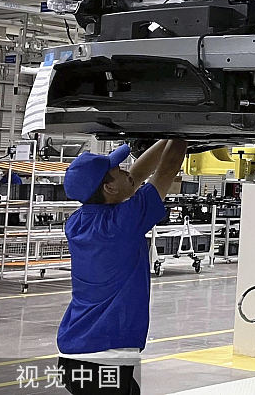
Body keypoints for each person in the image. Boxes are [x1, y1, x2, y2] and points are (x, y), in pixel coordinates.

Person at [57, 139, 187, 394]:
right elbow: (168, 168)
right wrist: (184, 132)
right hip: (106, 358)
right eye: (119, 170)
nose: (128, 170)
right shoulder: (123, 223)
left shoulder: (78, 222)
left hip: (76, 352)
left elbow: (135, 178)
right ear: (109, 187)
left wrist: (166, 137)